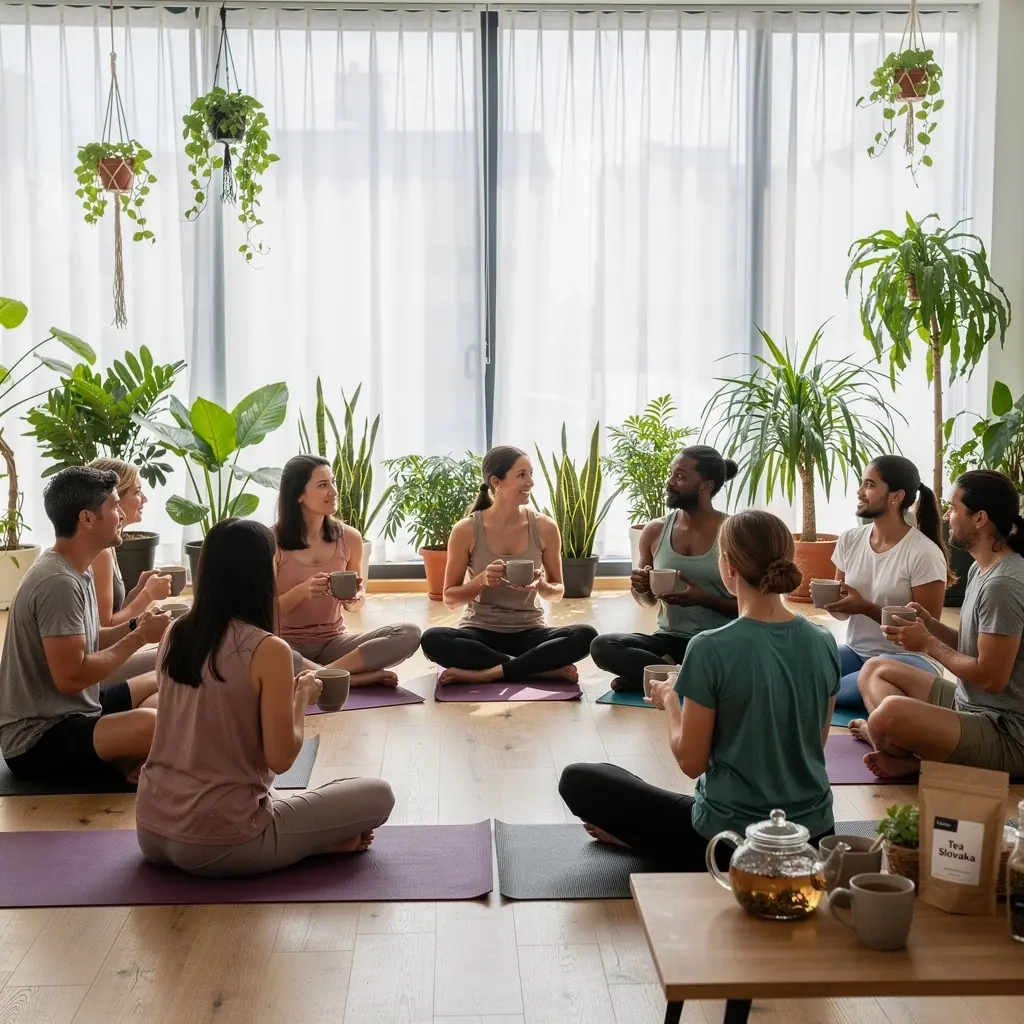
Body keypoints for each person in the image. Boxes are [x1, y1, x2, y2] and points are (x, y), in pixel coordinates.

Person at [559, 510, 839, 869]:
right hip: (813, 837)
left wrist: (671, 700)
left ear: (729, 567)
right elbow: (816, 744)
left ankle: (647, 841)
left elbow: (691, 763)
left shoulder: (710, 647)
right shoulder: (823, 640)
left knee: (580, 779)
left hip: (729, 843)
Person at [136, 518, 395, 877]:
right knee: (377, 794)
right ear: (259, 573)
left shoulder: (176, 632)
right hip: (222, 841)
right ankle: (310, 845)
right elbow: (281, 758)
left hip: (150, 830)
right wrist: (302, 697)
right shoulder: (267, 649)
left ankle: (300, 841)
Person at [0, 467, 170, 786]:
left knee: (166, 677)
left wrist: (136, 625)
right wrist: (140, 638)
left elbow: (92, 640)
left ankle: (135, 761)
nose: (121, 514)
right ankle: (132, 764)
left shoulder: (77, 567)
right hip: (39, 740)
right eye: (114, 507)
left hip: (78, 711)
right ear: (87, 519)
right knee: (154, 724)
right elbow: (72, 677)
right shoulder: (58, 582)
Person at [852, 469, 1024, 780]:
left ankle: (912, 754)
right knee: (875, 668)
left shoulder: (1004, 584)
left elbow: (991, 677)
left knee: (889, 714)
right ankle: (903, 743)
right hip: (970, 706)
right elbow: (976, 649)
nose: (946, 516)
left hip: (1008, 732)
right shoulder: (982, 569)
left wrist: (927, 644)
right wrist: (929, 624)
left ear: (980, 518)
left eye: (954, 508)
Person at [419, 445, 596, 683]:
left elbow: (557, 591)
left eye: (531, 474)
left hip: (530, 630)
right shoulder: (467, 530)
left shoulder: (545, 527)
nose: (530, 482)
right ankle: (535, 669)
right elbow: (450, 598)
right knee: (432, 639)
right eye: (522, 475)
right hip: (480, 631)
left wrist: (541, 585)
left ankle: (489, 673)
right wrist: (480, 581)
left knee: (586, 635)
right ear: (496, 482)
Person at [589, 445, 738, 692]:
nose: (669, 482)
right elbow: (647, 602)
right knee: (602, 645)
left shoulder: (734, 532)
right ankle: (681, 678)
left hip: (719, 642)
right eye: (671, 474)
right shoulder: (655, 530)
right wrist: (641, 587)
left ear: (706, 486)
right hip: (669, 639)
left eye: (680, 476)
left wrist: (704, 599)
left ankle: (657, 676)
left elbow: (749, 607)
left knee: (730, 658)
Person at [274, 455, 420, 686]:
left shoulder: (349, 538)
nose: (333, 490)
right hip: (288, 645)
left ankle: (322, 676)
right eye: (323, 485)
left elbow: (357, 604)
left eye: (333, 482)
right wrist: (302, 591)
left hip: (335, 644)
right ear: (298, 495)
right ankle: (350, 679)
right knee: (259, 652)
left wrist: (355, 597)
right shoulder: (271, 543)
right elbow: (262, 612)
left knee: (409, 633)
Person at [825, 456, 950, 710]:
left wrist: (864, 607)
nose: (860, 492)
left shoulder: (924, 553)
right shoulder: (849, 540)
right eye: (862, 483)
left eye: (869, 485)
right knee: (803, 668)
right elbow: (841, 612)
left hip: (910, 659)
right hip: (856, 652)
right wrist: (833, 604)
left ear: (896, 497)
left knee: (822, 690)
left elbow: (926, 629)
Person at [88, 459, 172, 628]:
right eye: (137, 492)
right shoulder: (100, 552)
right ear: (115, 498)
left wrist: (138, 590)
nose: (145, 499)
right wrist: (147, 595)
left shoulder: (109, 543)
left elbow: (115, 615)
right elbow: (105, 628)